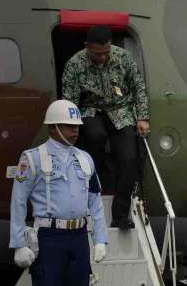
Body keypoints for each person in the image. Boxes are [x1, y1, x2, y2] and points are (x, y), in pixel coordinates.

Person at [9, 100, 108, 286]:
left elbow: (95, 201)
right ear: (53, 127)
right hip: (49, 239)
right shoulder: (31, 159)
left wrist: (100, 239)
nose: (75, 131)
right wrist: (19, 243)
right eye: (69, 126)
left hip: (77, 239)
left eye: (77, 126)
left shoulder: (85, 159)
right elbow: (18, 202)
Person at [62, 25, 150, 229]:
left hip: (120, 111)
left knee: (129, 158)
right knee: (95, 136)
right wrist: (70, 127)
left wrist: (143, 117)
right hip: (90, 110)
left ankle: (120, 215)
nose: (102, 57)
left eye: (105, 52)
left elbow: (138, 87)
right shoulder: (75, 64)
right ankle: (97, 178)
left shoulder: (123, 58)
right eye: (96, 54)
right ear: (87, 47)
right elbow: (70, 101)